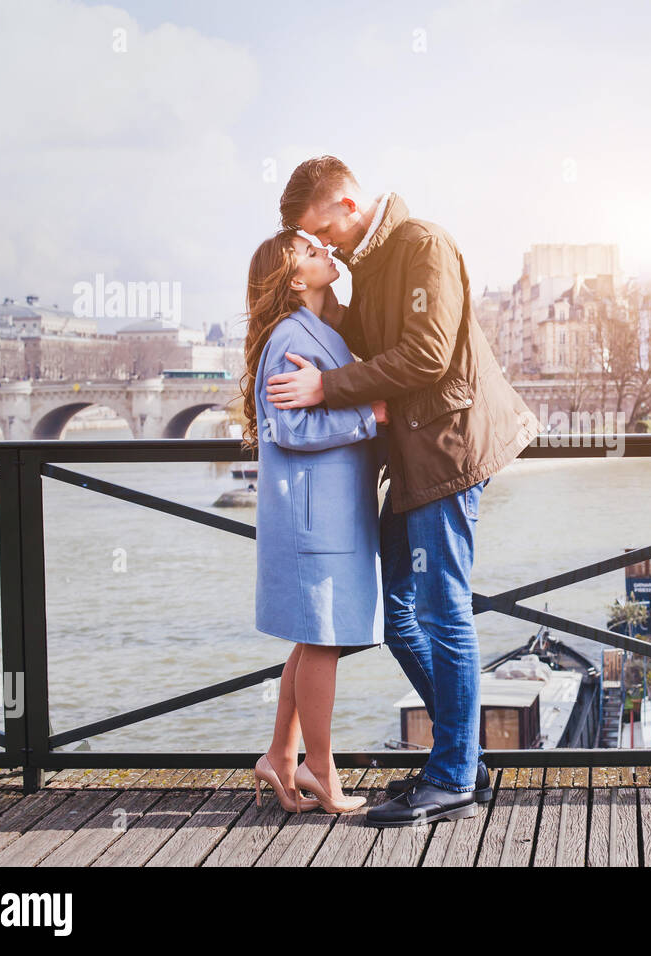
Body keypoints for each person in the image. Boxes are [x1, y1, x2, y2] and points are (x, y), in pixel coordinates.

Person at [267, 156, 538, 827]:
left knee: (443, 611)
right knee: (401, 615)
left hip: (446, 449)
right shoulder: (375, 265)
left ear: (349, 204)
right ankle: (462, 759)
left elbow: (425, 356)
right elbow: (364, 349)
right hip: (415, 458)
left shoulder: (422, 245)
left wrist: (325, 389)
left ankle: (451, 777)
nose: (324, 245)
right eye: (313, 241)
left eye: (323, 230)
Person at [241, 229, 389, 815]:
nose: (323, 251)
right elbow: (290, 429)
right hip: (315, 520)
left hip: (329, 511)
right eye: (308, 251)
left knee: (313, 638)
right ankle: (320, 771)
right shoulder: (288, 338)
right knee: (325, 640)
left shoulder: (320, 331)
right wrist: (371, 417)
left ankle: (281, 755)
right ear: (295, 280)